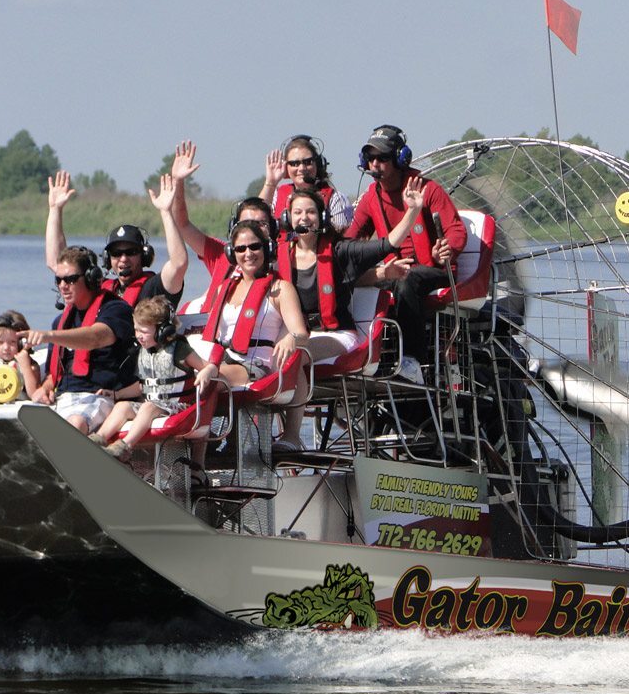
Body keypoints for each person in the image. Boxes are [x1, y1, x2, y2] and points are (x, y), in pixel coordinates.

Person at [275, 186, 428, 450]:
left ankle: (292, 437)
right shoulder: (277, 258)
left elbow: (387, 243)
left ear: (322, 218)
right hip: (297, 336)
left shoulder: (341, 251)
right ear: (288, 218)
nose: (304, 218)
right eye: (297, 212)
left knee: (294, 354)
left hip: (337, 336)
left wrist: (413, 210)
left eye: (311, 212)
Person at [345, 124, 468, 357]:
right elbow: (351, 238)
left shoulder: (428, 189)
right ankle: (360, 355)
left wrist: (447, 248)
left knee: (408, 280)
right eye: (370, 157)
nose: (374, 164)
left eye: (382, 158)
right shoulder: (371, 198)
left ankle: (412, 359)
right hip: (395, 272)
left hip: (434, 272)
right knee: (349, 278)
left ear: (400, 158)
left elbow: (456, 231)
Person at [90, 296, 218, 460]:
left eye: (143, 332)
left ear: (163, 330)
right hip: (154, 405)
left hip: (178, 406)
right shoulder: (144, 352)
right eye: (136, 330)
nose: (138, 336)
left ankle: (124, 446)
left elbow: (211, 367)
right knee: (122, 407)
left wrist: (206, 372)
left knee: (147, 407)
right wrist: (117, 395)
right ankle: (98, 440)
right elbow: (144, 385)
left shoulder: (179, 349)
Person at [24, 246, 134, 434]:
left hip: (101, 396)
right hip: (64, 397)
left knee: (75, 423)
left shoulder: (115, 310)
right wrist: (46, 388)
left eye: (71, 279)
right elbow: (53, 374)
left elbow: (95, 337)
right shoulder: (60, 322)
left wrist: (48, 336)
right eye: (58, 280)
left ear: (91, 278)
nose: (63, 286)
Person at [45, 169, 187, 309]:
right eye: (116, 253)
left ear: (144, 255)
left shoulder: (156, 288)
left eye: (131, 252)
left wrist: (166, 212)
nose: (123, 259)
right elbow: (57, 264)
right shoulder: (101, 289)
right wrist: (55, 209)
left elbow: (179, 264)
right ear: (108, 259)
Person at [168, 140, 280, 314]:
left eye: (262, 225)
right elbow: (182, 224)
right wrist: (178, 181)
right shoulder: (221, 255)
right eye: (246, 224)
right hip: (203, 330)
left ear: (272, 230)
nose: (253, 230)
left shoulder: (282, 265)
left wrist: (270, 184)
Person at [201, 220, 310, 390]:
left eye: (254, 247)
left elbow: (301, 333)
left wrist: (291, 338)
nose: (248, 253)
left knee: (206, 378)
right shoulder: (224, 289)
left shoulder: (281, 288)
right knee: (184, 375)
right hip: (220, 361)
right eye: (241, 249)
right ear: (232, 253)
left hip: (255, 366)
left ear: (266, 249)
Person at [258, 134, 354, 231]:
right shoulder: (277, 196)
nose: (302, 168)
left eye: (308, 162)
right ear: (286, 168)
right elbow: (254, 221)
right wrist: (271, 183)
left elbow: (342, 237)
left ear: (318, 164)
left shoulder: (335, 199)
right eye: (294, 164)